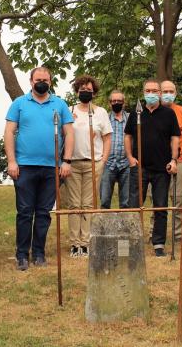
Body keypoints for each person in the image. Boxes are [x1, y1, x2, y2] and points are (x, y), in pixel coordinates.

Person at [5, 67, 74, 271]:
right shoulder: (19, 103)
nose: (41, 82)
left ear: (50, 82)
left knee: (44, 213)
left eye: (45, 79)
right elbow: (9, 132)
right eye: (38, 79)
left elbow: (69, 134)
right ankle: (21, 255)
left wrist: (67, 161)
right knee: (25, 212)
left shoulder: (60, 104)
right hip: (24, 166)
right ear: (31, 81)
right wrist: (11, 161)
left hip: (52, 168)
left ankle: (39, 253)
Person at [125, 78, 180, 257]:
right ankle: (132, 242)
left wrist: (173, 159)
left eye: (155, 91)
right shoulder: (136, 113)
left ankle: (158, 244)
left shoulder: (168, 114)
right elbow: (127, 136)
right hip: (139, 167)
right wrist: (130, 157)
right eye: (147, 90)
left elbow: (175, 138)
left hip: (162, 168)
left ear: (160, 93)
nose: (151, 94)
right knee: (134, 206)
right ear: (143, 92)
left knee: (160, 207)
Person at [65, 75, 112, 257]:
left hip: (94, 163)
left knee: (89, 203)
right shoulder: (69, 111)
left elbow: (107, 138)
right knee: (74, 204)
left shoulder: (100, 113)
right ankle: (74, 243)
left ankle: (85, 242)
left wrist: (104, 160)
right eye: (82, 89)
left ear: (94, 93)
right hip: (73, 163)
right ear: (77, 91)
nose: (85, 92)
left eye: (89, 90)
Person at [158, 80, 182, 241]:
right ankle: (155, 233)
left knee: (178, 199)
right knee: (157, 199)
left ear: (176, 93)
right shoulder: (152, 111)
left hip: (180, 161)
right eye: (165, 91)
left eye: (171, 91)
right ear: (159, 93)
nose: (168, 94)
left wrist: (180, 158)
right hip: (157, 162)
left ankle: (177, 235)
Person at [100, 90, 130, 209]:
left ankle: (125, 226)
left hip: (126, 163)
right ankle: (104, 227)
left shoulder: (130, 118)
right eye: (114, 101)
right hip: (108, 163)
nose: (116, 103)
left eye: (119, 101)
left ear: (124, 103)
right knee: (104, 200)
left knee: (126, 202)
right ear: (109, 103)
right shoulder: (104, 119)